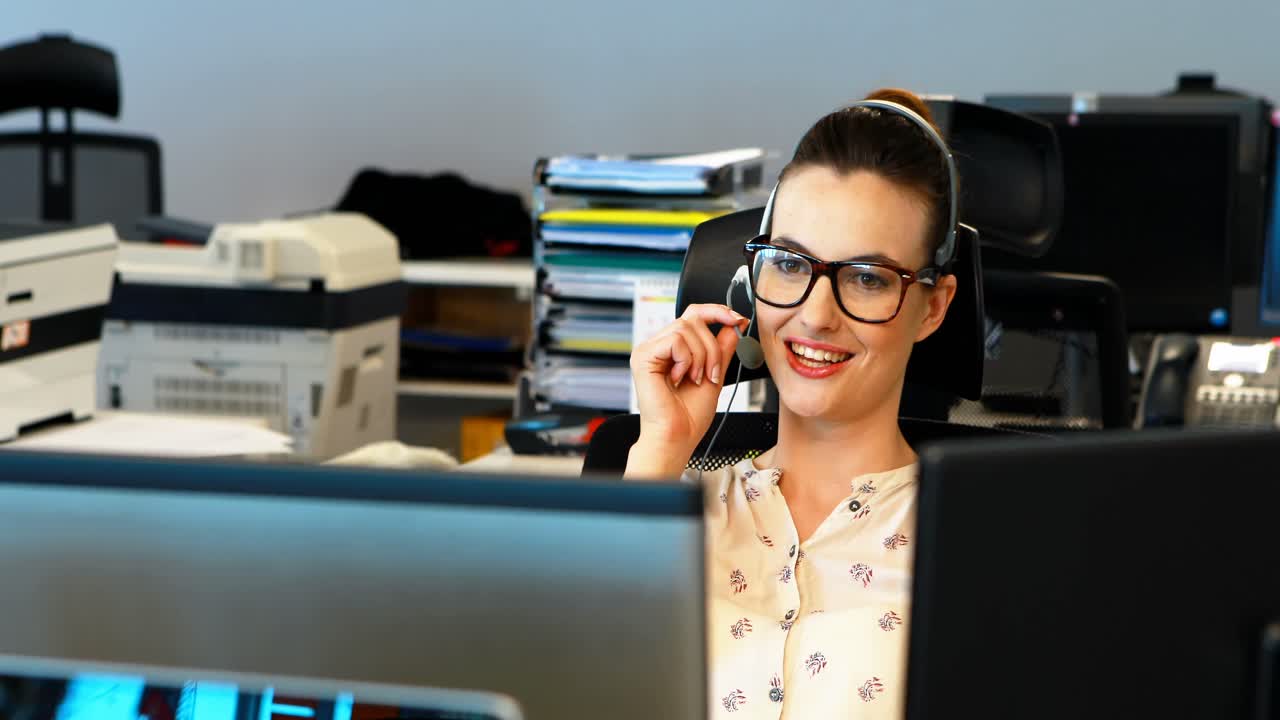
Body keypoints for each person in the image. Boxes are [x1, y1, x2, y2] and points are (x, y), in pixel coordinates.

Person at [625, 88, 959, 718]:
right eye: (789, 264)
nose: (815, 314)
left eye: (867, 278)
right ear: (748, 283)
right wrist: (660, 451)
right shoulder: (672, 509)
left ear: (933, 306)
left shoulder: (975, 544)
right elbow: (578, 686)